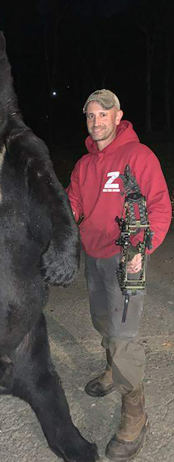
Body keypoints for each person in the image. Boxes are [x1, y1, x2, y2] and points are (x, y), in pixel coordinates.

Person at [67, 89, 172, 462]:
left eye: (103, 114)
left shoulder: (137, 156)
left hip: (127, 258)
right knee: (102, 322)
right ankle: (111, 369)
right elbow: (74, 203)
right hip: (93, 256)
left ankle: (135, 417)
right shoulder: (83, 165)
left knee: (124, 336)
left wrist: (143, 250)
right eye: (91, 116)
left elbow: (160, 205)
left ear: (118, 116)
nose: (96, 122)